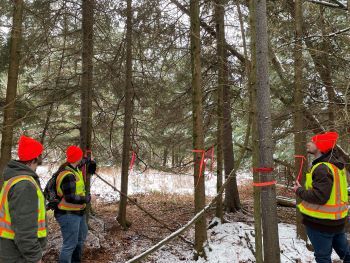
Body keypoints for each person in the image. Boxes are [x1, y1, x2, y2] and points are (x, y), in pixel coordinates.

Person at [294, 131, 350, 263]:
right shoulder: (336, 166)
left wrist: (299, 190)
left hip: (320, 224)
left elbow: (320, 196)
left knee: (323, 258)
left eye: (312, 141)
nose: (308, 143)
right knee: (347, 254)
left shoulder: (322, 167)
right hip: (337, 221)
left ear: (320, 146)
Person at [0, 135, 47, 263]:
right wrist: (35, 257)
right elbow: (24, 229)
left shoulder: (14, 179)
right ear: (35, 158)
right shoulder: (24, 185)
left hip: (11, 250)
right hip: (18, 255)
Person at [54, 145, 94, 263]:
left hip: (78, 212)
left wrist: (90, 160)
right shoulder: (68, 175)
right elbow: (70, 198)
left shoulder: (74, 168)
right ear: (77, 158)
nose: (82, 159)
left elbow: (83, 162)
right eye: (80, 157)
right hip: (68, 214)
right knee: (70, 245)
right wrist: (87, 199)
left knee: (81, 238)